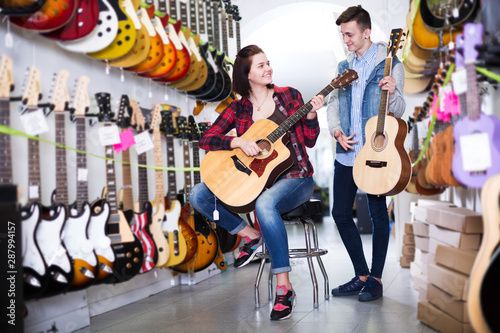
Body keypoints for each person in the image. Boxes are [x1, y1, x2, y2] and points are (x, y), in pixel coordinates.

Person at [188, 44, 324, 320]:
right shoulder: (239, 108)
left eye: (268, 63)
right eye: (261, 65)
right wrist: (238, 141)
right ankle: (250, 236)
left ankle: (284, 290)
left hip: (296, 177)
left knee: (264, 204)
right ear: (246, 74)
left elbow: (309, 140)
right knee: (198, 195)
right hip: (257, 179)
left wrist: (310, 116)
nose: (268, 68)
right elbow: (207, 138)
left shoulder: (289, 96)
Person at [326, 5, 405, 301]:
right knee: (340, 213)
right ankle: (361, 275)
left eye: (349, 34)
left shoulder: (390, 61)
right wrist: (335, 130)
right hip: (347, 151)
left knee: (376, 214)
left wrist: (394, 90)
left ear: (366, 32)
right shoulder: (341, 68)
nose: (345, 40)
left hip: (376, 152)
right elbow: (333, 104)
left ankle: (377, 279)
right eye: (342, 34)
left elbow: (398, 111)